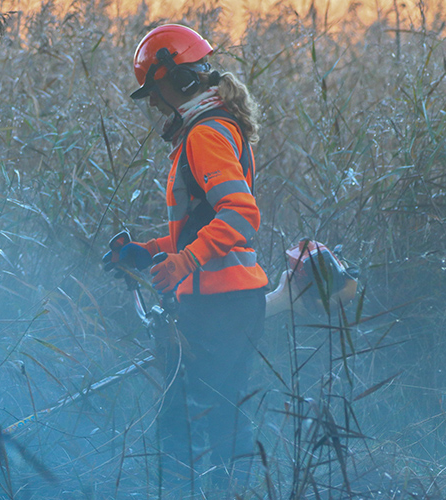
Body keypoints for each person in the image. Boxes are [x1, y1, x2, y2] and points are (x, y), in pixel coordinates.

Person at [103, 24, 267, 490]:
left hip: (222, 307)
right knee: (209, 417)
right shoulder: (206, 130)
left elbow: (240, 216)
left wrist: (182, 264)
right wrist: (146, 253)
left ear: (179, 80)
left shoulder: (205, 136)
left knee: (194, 423)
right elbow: (199, 228)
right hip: (223, 303)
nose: (155, 105)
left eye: (155, 93)